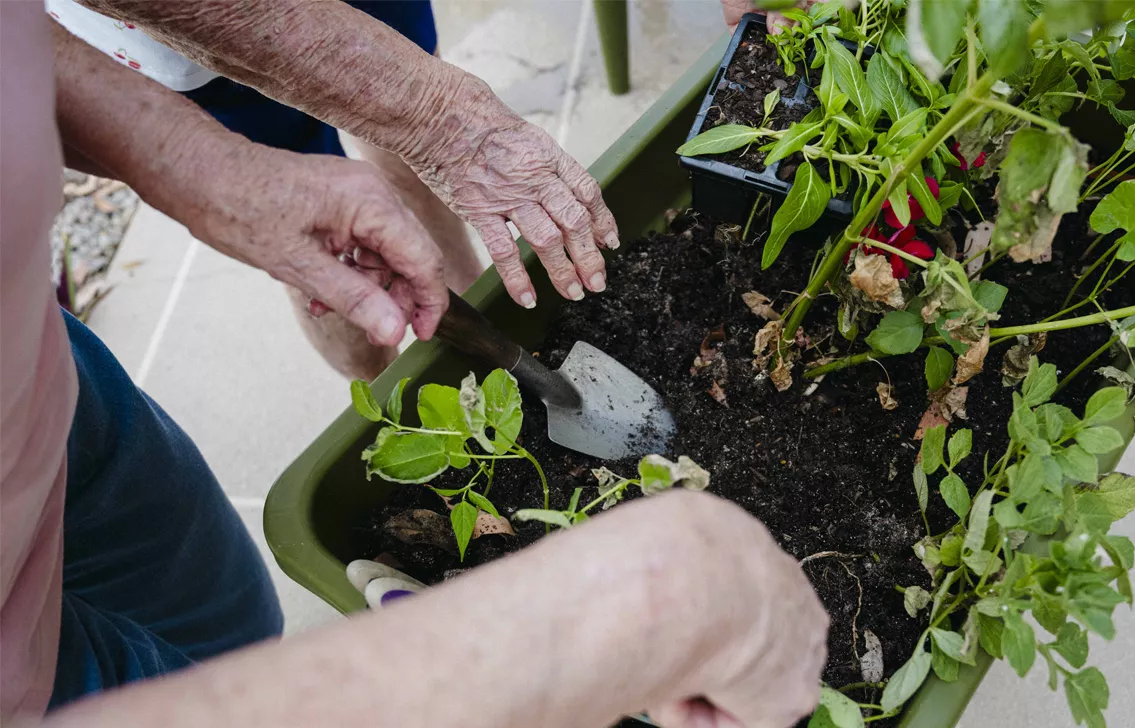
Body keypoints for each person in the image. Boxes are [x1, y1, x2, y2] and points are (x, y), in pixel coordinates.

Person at [3, 2, 829, 726]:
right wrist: (660, 588)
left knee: (229, 614)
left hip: (54, 406)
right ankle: (390, 390)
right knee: (341, 276)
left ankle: (466, 341)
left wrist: (214, 172)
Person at [47, 0, 620, 381]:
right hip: (199, 20)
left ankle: (480, 319)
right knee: (317, 220)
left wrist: (424, 117)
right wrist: (437, 116)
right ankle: (390, 394)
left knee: (406, 123)